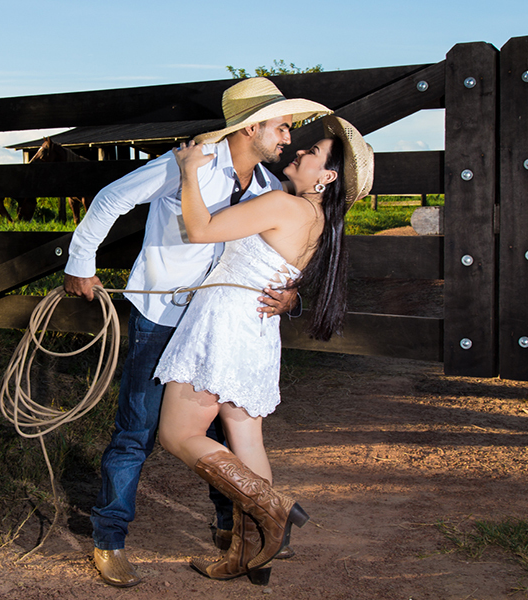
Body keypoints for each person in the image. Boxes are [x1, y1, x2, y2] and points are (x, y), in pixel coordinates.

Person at [63, 77, 331, 587]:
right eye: (281, 125)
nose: (287, 137)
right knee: (137, 430)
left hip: (214, 325)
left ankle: (241, 529)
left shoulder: (270, 189)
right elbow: (111, 197)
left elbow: (282, 250)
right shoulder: (187, 164)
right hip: (163, 316)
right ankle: (109, 539)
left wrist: (291, 296)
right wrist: (81, 261)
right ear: (251, 127)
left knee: (217, 431)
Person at [155, 115, 375, 584]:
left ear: (327, 177)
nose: (299, 152)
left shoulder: (283, 204)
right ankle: (249, 554)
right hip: (254, 330)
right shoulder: (318, 220)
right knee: (246, 439)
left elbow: (200, 229)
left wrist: (190, 169)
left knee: (176, 435)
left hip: (224, 324)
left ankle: (274, 508)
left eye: (312, 153)